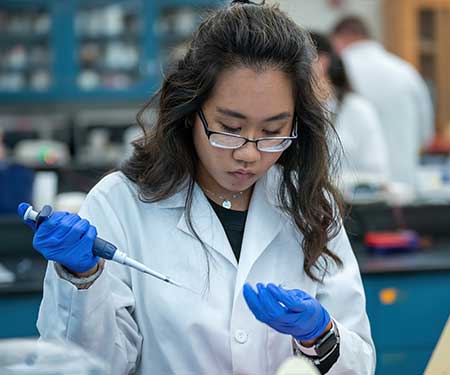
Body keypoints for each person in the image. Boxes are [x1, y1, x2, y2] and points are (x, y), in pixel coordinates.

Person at [18, 2, 375, 374]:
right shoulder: (120, 203)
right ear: (190, 111)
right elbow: (83, 366)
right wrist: (83, 280)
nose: (249, 153)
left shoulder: (308, 204)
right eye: (230, 128)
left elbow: (361, 363)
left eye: (272, 132)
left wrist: (321, 335)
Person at [331, 16, 434, 186]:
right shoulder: (405, 70)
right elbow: (426, 133)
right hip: (405, 182)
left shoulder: (340, 69)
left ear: (342, 38)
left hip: (357, 190)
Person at [309, 31, 389, 184]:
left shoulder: (357, 109)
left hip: (350, 202)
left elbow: (377, 172)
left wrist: (330, 183)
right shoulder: (291, 108)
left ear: (322, 62)